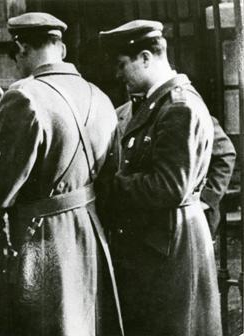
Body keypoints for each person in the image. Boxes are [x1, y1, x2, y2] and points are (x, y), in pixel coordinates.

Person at [0, 12, 123, 336]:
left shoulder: (24, 96)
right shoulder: (101, 98)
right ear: (61, 49)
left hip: (40, 242)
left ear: (21, 47)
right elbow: (111, 177)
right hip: (89, 235)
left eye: (16, 55)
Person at [100, 20, 223, 336]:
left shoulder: (177, 107)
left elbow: (168, 186)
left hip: (169, 248)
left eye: (121, 65)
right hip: (160, 243)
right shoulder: (159, 104)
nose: (117, 74)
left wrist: (107, 187)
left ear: (145, 57)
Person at [115, 100, 236, 237]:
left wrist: (206, 198)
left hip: (186, 217)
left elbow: (226, 154)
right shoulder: (119, 113)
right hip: (140, 217)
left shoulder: (180, 110)